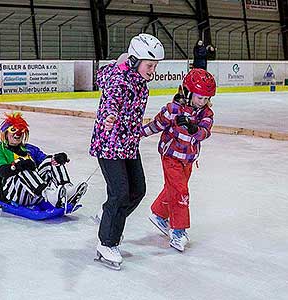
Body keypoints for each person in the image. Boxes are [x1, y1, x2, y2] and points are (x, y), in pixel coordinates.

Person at [89, 33, 165, 269]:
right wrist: (110, 115)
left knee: (138, 189)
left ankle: (109, 218)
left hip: (129, 143)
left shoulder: (139, 80)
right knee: (120, 192)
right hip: (109, 143)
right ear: (135, 60)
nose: (152, 70)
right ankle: (107, 242)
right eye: (149, 65)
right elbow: (112, 97)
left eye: (155, 66)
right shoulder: (119, 79)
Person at [139, 68, 216, 252]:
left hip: (188, 158)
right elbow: (156, 125)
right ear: (188, 92)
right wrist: (138, 134)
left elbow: (205, 132)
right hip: (171, 156)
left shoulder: (206, 113)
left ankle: (158, 213)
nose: (203, 102)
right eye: (199, 97)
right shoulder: (173, 110)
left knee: (173, 188)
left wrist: (192, 129)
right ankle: (178, 232)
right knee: (181, 191)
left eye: (206, 99)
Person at [0, 112, 87, 211]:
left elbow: (46, 161)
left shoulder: (30, 149)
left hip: (35, 193)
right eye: (13, 130)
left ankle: (67, 190)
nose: (17, 134)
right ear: (5, 133)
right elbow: (0, 171)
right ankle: (49, 195)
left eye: (21, 130)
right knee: (23, 167)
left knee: (51, 161)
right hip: (14, 195)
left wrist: (58, 158)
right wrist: (17, 165)